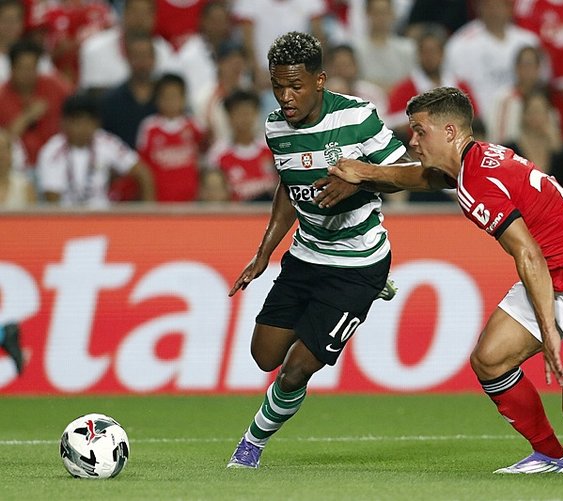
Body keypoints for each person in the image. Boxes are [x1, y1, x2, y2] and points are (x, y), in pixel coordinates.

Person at [323, 87, 563, 474]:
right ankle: (551, 456)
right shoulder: (475, 161)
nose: (412, 140)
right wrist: (367, 173)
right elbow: (427, 179)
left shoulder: (477, 182)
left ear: (450, 131)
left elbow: (528, 255)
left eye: (421, 131)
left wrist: (549, 331)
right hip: (553, 275)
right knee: (490, 360)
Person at [225, 31, 405, 469]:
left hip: (357, 263)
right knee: (264, 355)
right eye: (277, 86)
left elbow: (407, 170)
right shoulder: (275, 127)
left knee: (294, 370)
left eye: (296, 86)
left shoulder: (357, 117)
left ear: (319, 80)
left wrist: (358, 179)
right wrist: (264, 252)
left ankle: (251, 444)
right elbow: (288, 188)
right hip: (307, 255)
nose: (285, 97)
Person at [37, 93, 155, 206]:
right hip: (66, 215)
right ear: (64, 123)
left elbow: (143, 174)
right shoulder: (52, 151)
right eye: (78, 123)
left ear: (97, 123)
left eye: (88, 122)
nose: (83, 128)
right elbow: (52, 200)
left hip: (102, 216)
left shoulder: (106, 142)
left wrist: (149, 214)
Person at [136, 73, 204, 202]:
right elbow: (143, 162)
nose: (171, 102)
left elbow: (203, 155)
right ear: (157, 99)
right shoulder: (149, 127)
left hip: (190, 199)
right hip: (160, 198)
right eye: (166, 97)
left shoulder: (194, 125)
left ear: (184, 99)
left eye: (175, 96)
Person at [205, 89, 277, 202]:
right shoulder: (218, 153)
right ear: (229, 116)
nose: (244, 119)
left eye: (248, 113)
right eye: (239, 113)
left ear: (256, 114)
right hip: (234, 212)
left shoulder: (271, 146)